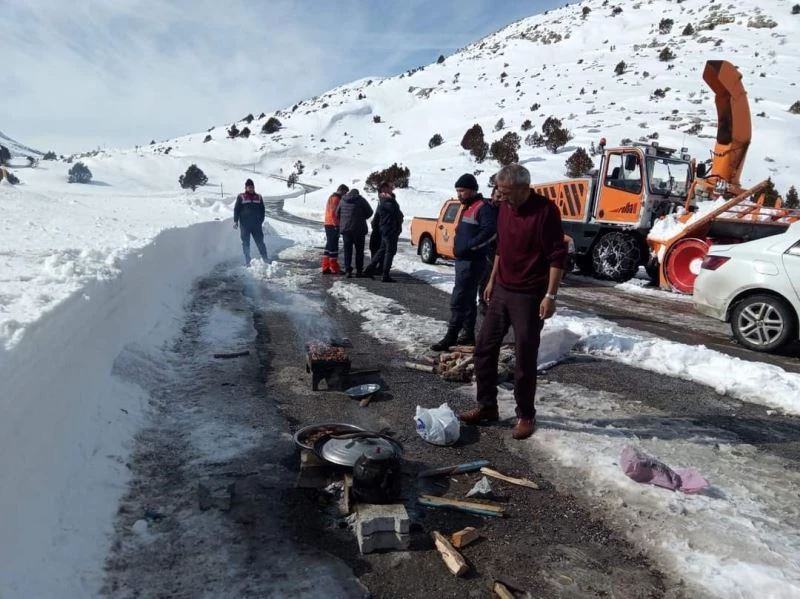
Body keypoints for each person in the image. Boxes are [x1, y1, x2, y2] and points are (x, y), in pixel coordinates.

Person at [459, 164, 567, 440]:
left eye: (506, 191)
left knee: (525, 356)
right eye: (498, 190)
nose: (500, 196)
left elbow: (557, 257)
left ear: (523, 188)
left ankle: (525, 414)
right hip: (503, 289)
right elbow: (501, 249)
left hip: (530, 295)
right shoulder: (505, 207)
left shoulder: (545, 212)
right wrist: (493, 280)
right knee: (484, 347)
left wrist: (550, 296)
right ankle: (487, 406)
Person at [430, 174, 497, 350]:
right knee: (466, 299)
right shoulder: (468, 206)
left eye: (462, 191)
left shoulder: (482, 207)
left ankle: (451, 336)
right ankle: (467, 335)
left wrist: (469, 246)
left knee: (459, 299)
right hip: (463, 261)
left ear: (472, 190)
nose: (459, 194)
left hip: (472, 261)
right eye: (457, 191)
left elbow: (490, 231)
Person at [363, 182, 403, 282]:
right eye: (390, 187)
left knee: (382, 250)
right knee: (390, 252)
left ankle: (369, 269)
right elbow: (396, 212)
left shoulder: (385, 200)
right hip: (389, 229)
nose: (392, 189)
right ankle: (385, 275)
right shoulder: (387, 200)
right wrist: (393, 201)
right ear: (384, 189)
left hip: (387, 229)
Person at [336, 188, 373, 277]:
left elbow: (337, 213)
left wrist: (344, 220)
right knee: (359, 251)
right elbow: (370, 212)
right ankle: (359, 271)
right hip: (359, 230)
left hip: (346, 230)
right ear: (357, 193)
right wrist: (362, 217)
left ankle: (348, 270)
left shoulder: (342, 200)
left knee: (347, 250)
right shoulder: (361, 200)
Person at [477, 186, 502, 315]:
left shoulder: (506, 210)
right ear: (492, 195)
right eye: (498, 196)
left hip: (501, 249)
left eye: (503, 197)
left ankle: (495, 302)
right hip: (487, 248)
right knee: (487, 276)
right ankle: (483, 301)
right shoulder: (485, 209)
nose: (500, 199)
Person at [233, 178, 269, 265]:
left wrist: (261, 220)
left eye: (252, 187)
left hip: (256, 225)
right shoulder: (241, 197)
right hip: (245, 225)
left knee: (260, 242)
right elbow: (236, 209)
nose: (251, 188)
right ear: (245, 188)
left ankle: (265, 259)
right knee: (246, 243)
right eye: (249, 187)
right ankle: (247, 261)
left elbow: (262, 210)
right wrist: (235, 221)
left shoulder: (259, 197)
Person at [322, 184, 349, 274]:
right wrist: (336, 225)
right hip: (333, 224)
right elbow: (334, 213)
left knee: (329, 246)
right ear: (341, 190)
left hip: (328, 223)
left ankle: (325, 267)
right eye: (345, 192)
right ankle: (334, 268)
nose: (345, 195)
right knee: (333, 247)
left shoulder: (331, 197)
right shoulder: (336, 199)